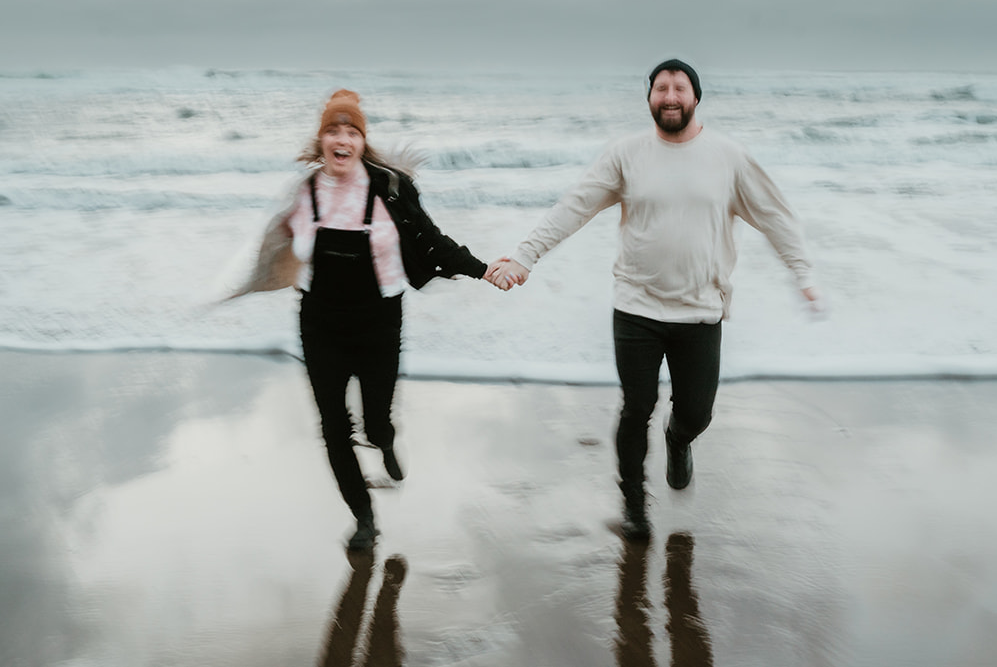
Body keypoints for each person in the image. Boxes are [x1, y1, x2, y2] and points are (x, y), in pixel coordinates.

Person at [486, 60, 825, 541]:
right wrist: (525, 256)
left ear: (695, 97)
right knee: (636, 406)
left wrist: (803, 274)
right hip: (636, 307)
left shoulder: (727, 157)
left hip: (701, 310)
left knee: (696, 413)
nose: (669, 96)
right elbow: (574, 206)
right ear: (649, 99)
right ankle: (634, 508)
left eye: (679, 88)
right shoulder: (626, 154)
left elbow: (775, 217)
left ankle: (678, 438)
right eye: (660, 88)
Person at [231, 89, 497, 551]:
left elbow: (432, 241)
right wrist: (238, 285)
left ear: (362, 141)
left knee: (375, 422)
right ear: (321, 141)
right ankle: (364, 519)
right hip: (319, 325)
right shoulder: (304, 193)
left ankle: (385, 439)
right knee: (334, 428)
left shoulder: (390, 190)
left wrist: (484, 268)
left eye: (350, 131)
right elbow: (272, 249)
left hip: (379, 323)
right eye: (333, 130)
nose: (341, 139)